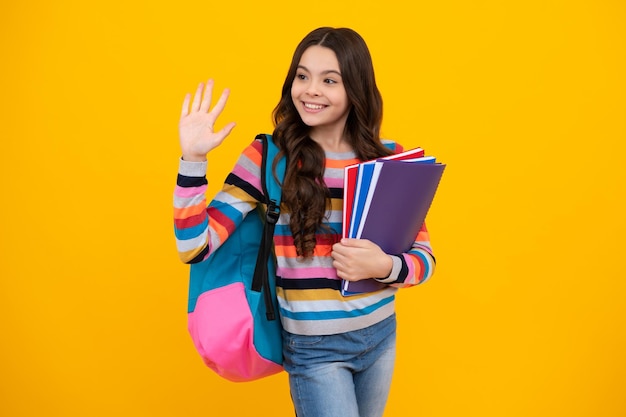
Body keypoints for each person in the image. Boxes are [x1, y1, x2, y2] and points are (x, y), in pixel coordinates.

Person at [174, 27, 436, 417]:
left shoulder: (389, 160)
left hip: (381, 336)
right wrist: (193, 161)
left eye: (329, 80)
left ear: (356, 90)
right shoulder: (269, 157)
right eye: (302, 75)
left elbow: (424, 260)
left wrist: (384, 266)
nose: (310, 90)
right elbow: (194, 246)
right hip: (315, 349)